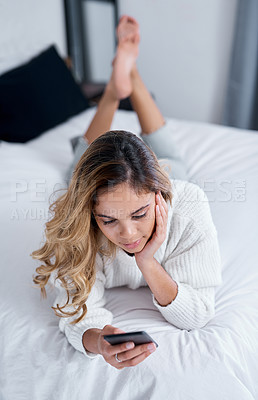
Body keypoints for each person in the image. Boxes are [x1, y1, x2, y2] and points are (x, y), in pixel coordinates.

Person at [31, 16, 222, 370]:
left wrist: (147, 261)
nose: (129, 235)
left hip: (163, 174)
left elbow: (197, 313)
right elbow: (77, 314)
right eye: (108, 220)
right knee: (81, 167)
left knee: (173, 159)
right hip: (99, 184)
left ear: (159, 196)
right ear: (90, 214)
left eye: (139, 215)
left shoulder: (187, 202)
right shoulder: (76, 222)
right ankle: (122, 84)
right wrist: (98, 342)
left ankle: (125, 81)